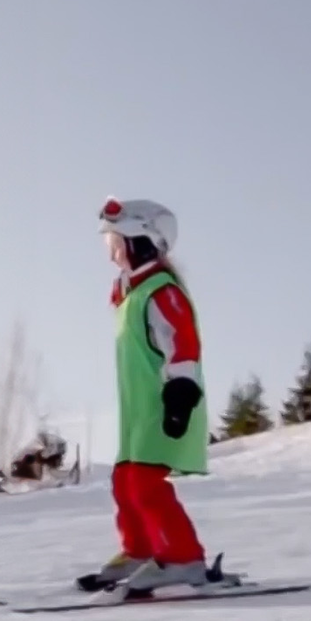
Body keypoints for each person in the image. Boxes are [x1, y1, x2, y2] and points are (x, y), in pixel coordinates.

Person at [76, 197, 221, 592]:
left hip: (167, 404)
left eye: (116, 243)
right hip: (137, 412)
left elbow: (183, 345)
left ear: (141, 242)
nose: (111, 255)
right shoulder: (130, 296)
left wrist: (180, 397)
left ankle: (183, 559)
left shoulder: (162, 290)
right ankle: (141, 550)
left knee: (145, 484)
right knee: (124, 481)